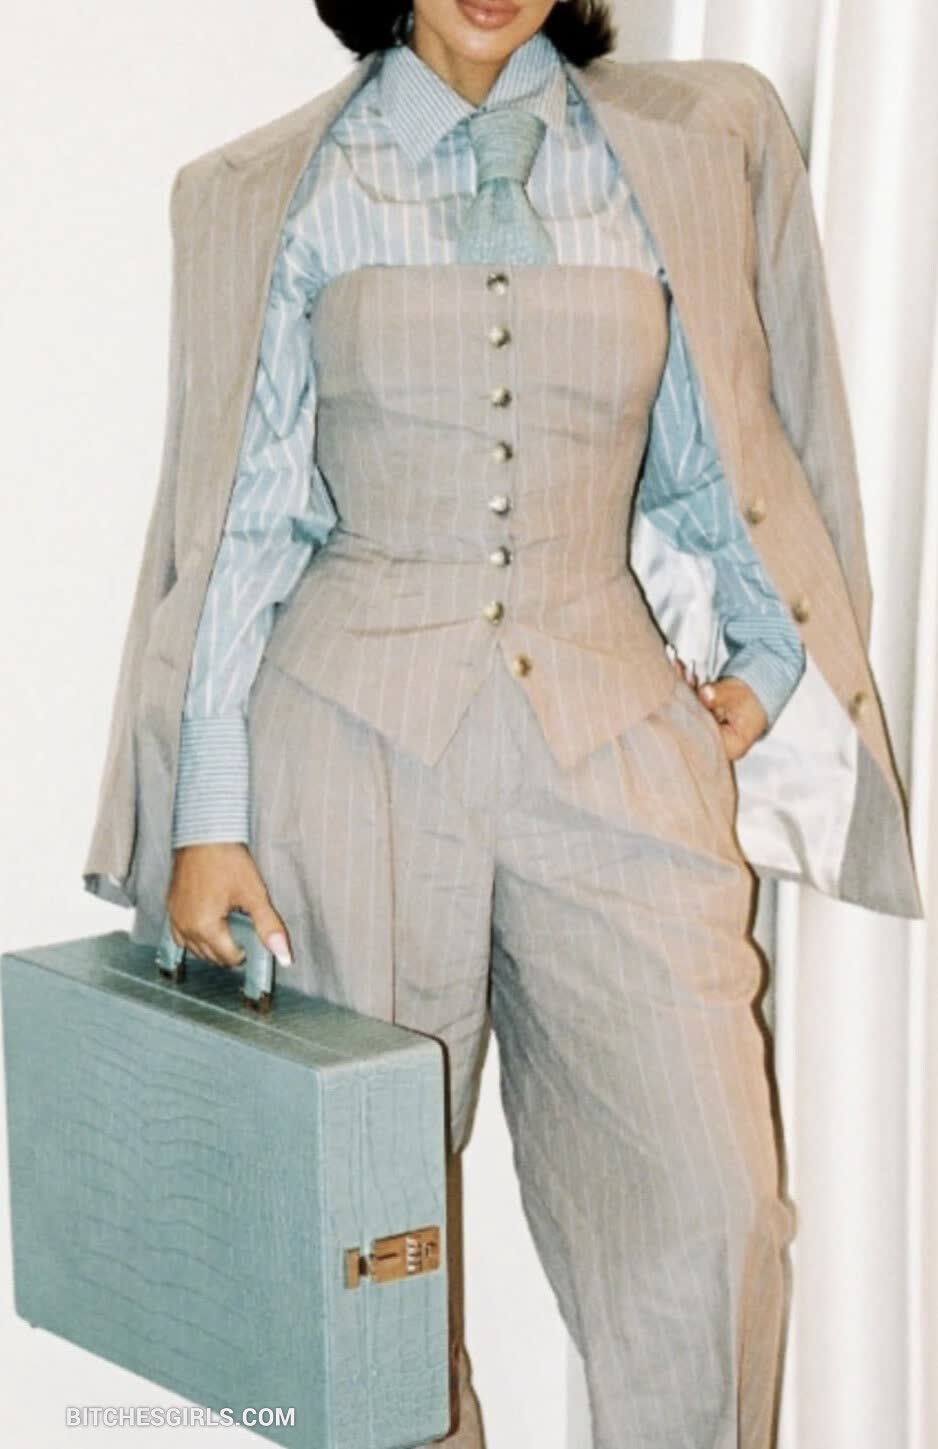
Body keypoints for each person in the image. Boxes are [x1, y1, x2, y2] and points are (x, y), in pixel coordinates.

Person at [81, 2, 924, 1446]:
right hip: (346, 745)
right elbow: (245, 513)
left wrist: (772, 650)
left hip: (618, 738)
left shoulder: (683, 153)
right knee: (358, 1252)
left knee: (716, 1214)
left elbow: (720, 435)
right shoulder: (277, 186)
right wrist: (209, 814)